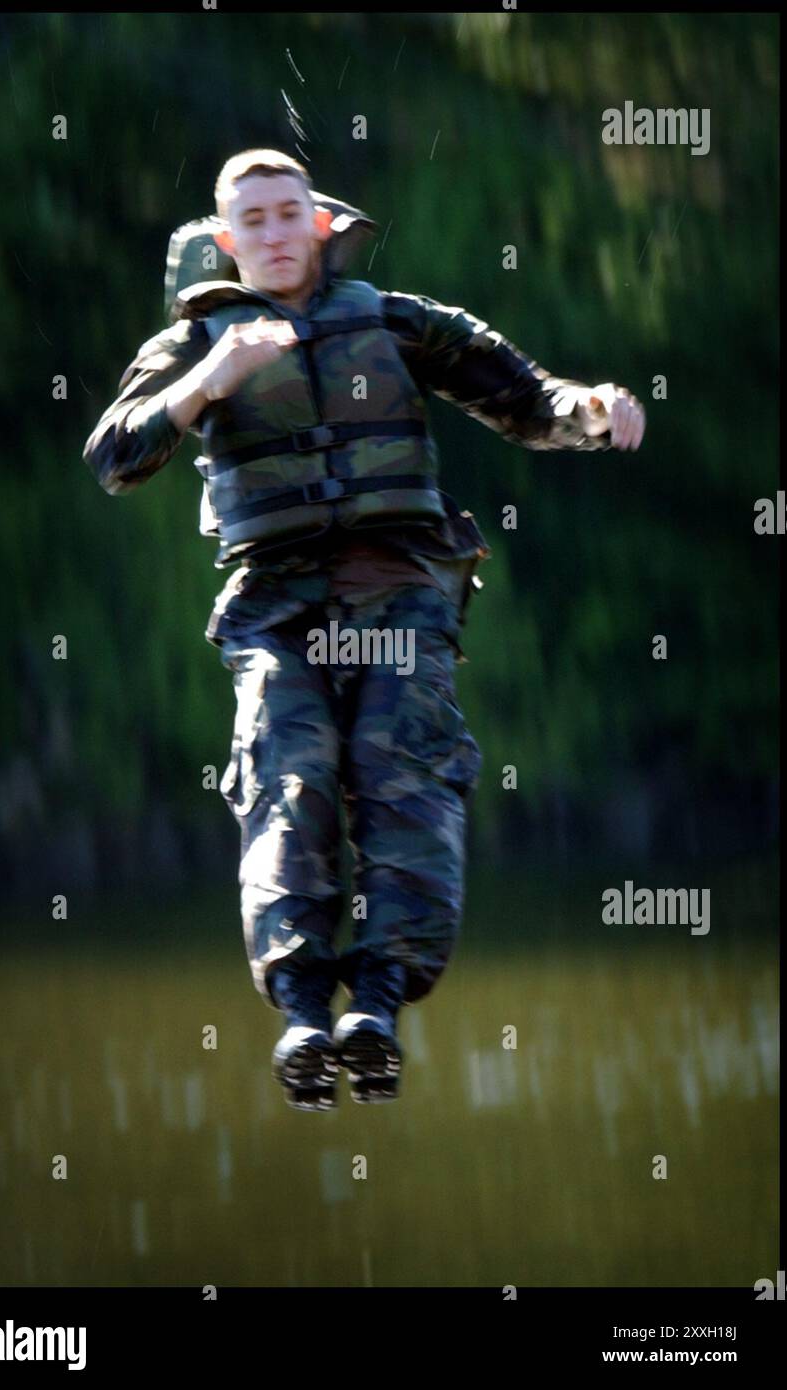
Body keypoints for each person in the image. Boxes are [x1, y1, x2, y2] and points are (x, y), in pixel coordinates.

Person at [82, 148, 645, 1112]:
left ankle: (377, 1004)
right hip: (277, 608)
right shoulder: (194, 342)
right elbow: (113, 457)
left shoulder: (395, 320)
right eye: (249, 219)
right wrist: (211, 378)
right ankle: (302, 1008)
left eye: (285, 213)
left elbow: (525, 399)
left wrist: (590, 411)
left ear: (320, 224)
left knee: (400, 772)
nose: (270, 232)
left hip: (397, 595)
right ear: (226, 239)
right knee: (290, 779)